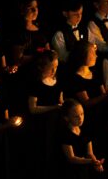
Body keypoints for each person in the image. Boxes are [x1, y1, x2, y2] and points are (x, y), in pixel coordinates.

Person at [27, 50, 64, 179]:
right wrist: (53, 107)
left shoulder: (56, 80)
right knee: (43, 154)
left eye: (56, 67)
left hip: (55, 122)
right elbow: (33, 109)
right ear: (42, 67)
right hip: (41, 125)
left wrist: (60, 105)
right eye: (51, 68)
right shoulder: (36, 84)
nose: (54, 71)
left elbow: (60, 99)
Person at [59, 98, 105, 179]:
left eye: (82, 114)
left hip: (84, 169)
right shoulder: (65, 134)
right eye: (76, 116)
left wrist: (96, 163)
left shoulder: (86, 130)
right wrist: (90, 161)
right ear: (67, 118)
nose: (80, 118)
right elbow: (71, 158)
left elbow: (89, 153)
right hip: (70, 171)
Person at [52, 0, 88, 64]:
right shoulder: (59, 34)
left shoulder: (85, 29)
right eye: (75, 14)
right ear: (65, 14)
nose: (79, 17)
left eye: (81, 13)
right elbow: (63, 57)